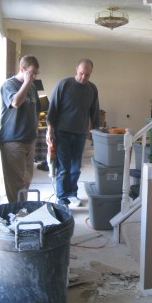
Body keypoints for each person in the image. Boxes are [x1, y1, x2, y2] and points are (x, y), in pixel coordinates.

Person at [46, 59, 100, 208]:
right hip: (61, 133)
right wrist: (50, 130)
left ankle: (72, 194)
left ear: (91, 73)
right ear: (76, 69)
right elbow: (53, 110)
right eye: (81, 73)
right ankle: (62, 197)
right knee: (64, 167)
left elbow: (95, 112)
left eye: (87, 75)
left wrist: (96, 131)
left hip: (80, 134)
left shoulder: (92, 89)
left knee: (76, 167)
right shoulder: (64, 85)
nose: (83, 77)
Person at [0, 55, 41, 202]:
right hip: (12, 139)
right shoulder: (8, 85)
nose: (34, 77)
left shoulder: (33, 87)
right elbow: (16, 103)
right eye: (31, 73)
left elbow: (37, 110)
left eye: (36, 73)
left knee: (27, 179)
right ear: (22, 69)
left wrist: (35, 127)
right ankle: (17, 213)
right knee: (15, 182)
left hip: (29, 139)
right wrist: (27, 83)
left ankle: (23, 209)